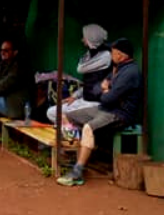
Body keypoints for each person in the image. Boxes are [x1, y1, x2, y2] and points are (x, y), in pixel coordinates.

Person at [57, 37, 143, 187]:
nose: (110, 54)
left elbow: (108, 98)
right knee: (66, 115)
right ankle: (74, 154)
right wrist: (105, 89)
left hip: (119, 114)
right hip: (104, 109)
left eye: (113, 52)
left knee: (88, 128)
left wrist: (106, 90)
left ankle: (77, 172)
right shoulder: (117, 68)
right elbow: (97, 88)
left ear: (121, 55)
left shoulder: (130, 72)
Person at [42, 24, 111, 123]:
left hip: (95, 104)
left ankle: (75, 133)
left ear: (92, 38)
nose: (82, 40)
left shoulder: (106, 55)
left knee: (66, 116)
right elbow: (89, 84)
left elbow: (80, 68)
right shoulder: (91, 53)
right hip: (84, 100)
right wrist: (74, 96)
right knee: (52, 112)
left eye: (85, 38)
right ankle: (73, 132)